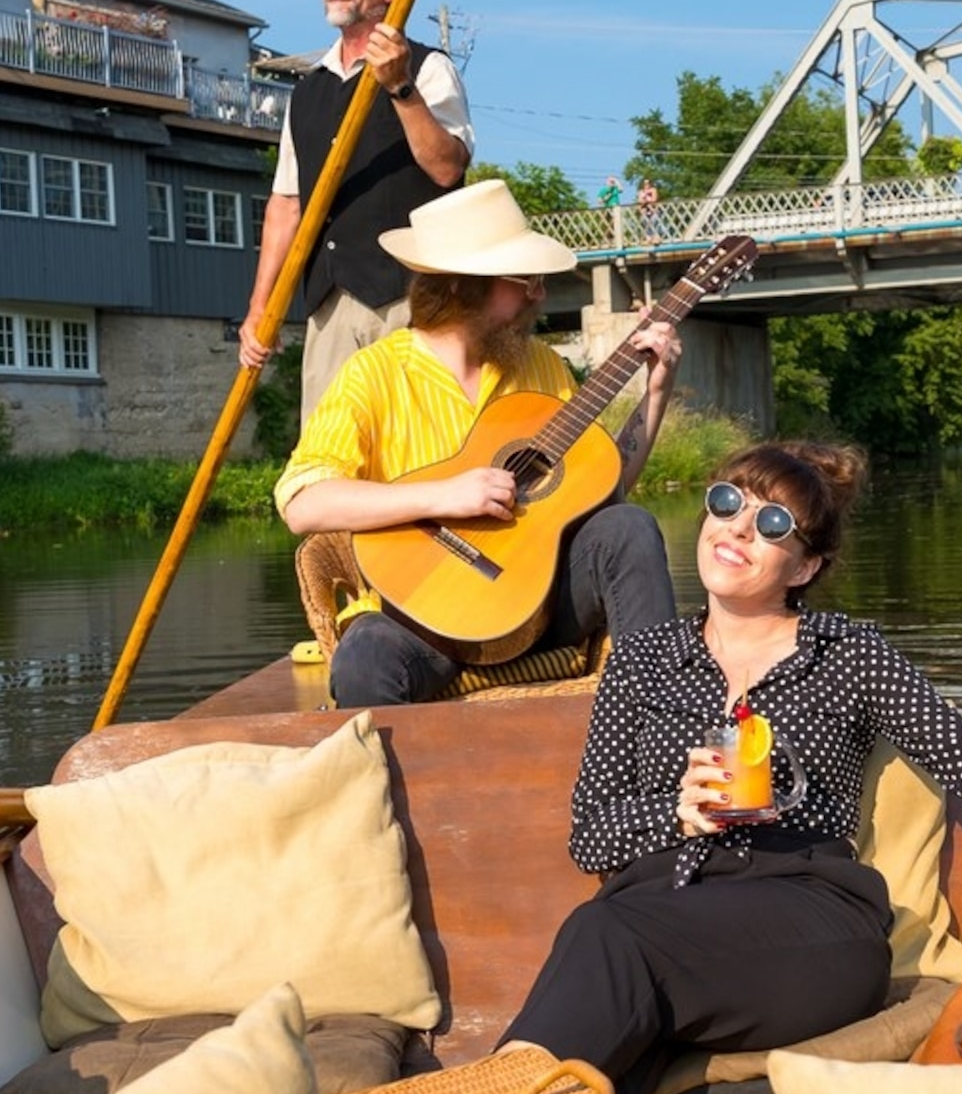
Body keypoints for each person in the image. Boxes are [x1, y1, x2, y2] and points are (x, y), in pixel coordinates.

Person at [500, 440, 962, 1094]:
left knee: (605, 938)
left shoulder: (848, 655)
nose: (737, 530)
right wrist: (676, 814)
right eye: (726, 503)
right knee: (607, 948)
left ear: (804, 568)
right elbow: (591, 837)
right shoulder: (643, 659)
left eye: (771, 524)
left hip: (809, 919)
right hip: (664, 913)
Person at [275, 179, 681, 708]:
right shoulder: (374, 373)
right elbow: (303, 503)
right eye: (525, 280)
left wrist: (655, 390)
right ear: (465, 286)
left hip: (538, 606)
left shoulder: (542, 366)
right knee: (365, 657)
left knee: (627, 526)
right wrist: (443, 496)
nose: (539, 292)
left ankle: (658, 735)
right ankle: (393, 789)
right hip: (425, 618)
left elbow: (600, 486)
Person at [239, 0, 472, 418]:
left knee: (417, 449)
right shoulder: (306, 92)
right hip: (329, 302)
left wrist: (399, 88)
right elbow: (286, 204)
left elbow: (447, 168)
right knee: (329, 457)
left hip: (410, 299)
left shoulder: (427, 68)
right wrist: (261, 307)